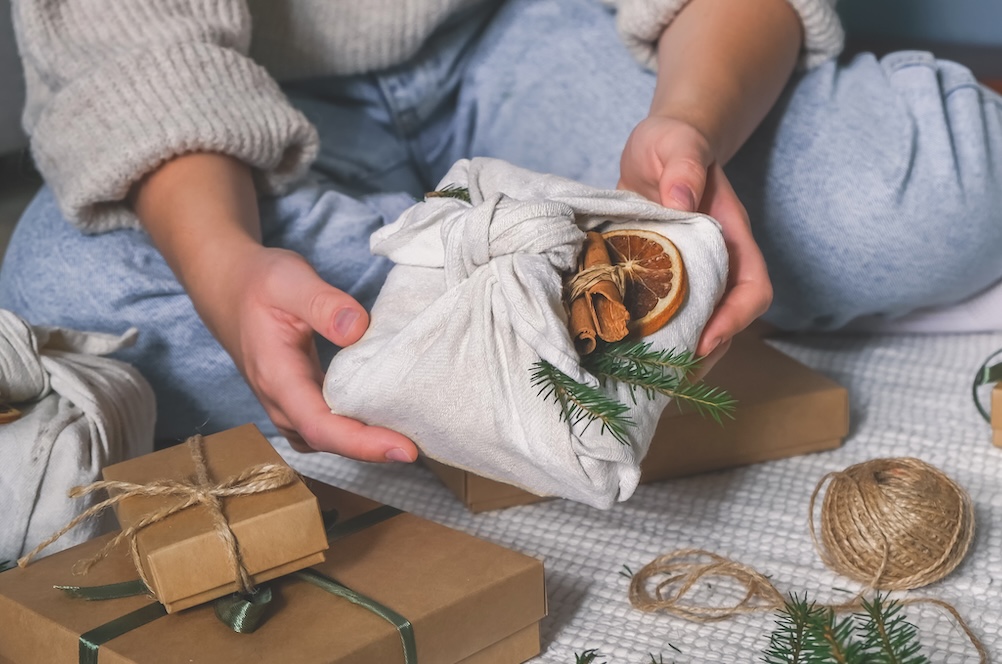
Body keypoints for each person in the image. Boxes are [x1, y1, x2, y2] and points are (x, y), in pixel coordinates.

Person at [2, 0, 1000, 463]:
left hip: (539, 36)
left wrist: (692, 125)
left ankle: (458, 317)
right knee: (73, 307)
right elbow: (124, 46)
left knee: (939, 180)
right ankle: (534, 290)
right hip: (236, 115)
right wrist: (222, 261)